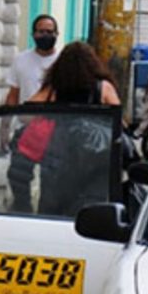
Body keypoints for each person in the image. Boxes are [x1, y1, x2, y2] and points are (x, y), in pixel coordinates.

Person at [8, 42, 121, 215]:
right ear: (93, 63)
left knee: (53, 211)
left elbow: (27, 113)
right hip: (97, 160)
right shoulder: (103, 87)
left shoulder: (54, 90)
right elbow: (118, 121)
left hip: (59, 158)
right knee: (94, 210)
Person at [2, 14, 61, 152]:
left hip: (55, 130)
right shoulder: (21, 60)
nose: (45, 35)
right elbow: (13, 96)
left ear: (57, 34)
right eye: (41, 32)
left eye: (49, 32)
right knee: (18, 173)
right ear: (33, 34)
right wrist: (5, 127)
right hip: (24, 128)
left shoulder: (63, 61)